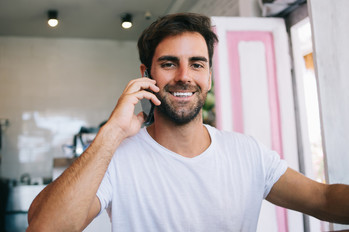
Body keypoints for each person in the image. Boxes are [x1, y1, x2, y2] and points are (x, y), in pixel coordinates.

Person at [27, 13, 349, 232]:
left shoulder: (247, 153)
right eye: (169, 64)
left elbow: (322, 199)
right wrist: (112, 132)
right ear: (146, 75)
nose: (184, 77)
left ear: (208, 76)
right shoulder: (117, 159)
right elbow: (44, 226)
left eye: (197, 64)